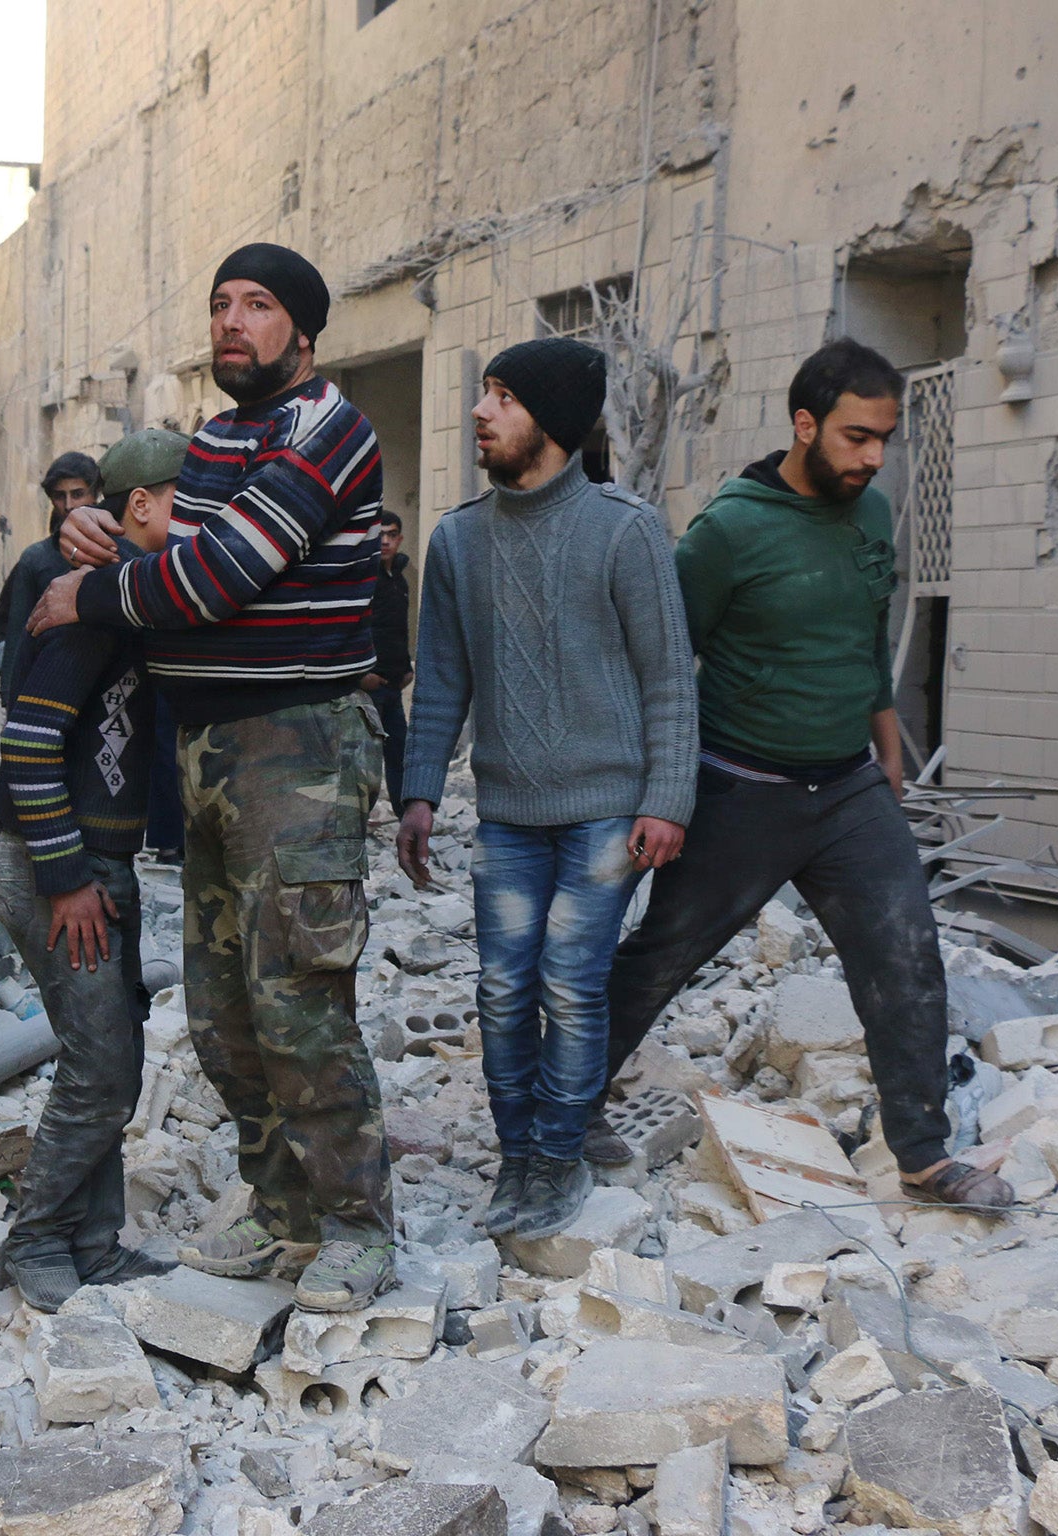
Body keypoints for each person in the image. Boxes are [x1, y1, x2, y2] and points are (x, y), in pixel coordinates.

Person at [33, 243, 393, 1312]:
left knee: (300, 1003)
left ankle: (357, 1227)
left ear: (305, 333)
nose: (232, 321)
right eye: (220, 303)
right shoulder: (217, 439)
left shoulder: (328, 432)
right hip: (207, 756)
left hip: (300, 753)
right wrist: (86, 531)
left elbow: (214, 575)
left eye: (259, 305)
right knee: (221, 1005)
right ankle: (280, 1209)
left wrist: (86, 594)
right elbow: (152, 547)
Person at [590, 338, 1014, 1211]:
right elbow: (665, 668)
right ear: (805, 423)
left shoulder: (871, 513)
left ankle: (926, 1160)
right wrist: (659, 792)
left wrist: (888, 753)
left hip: (848, 789)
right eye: (857, 437)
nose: (873, 456)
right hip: (740, 788)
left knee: (906, 956)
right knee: (661, 958)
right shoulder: (729, 530)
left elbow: (866, 637)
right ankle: (561, 1108)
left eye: (884, 439)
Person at [398, 339, 699, 1240]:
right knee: (499, 989)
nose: (481, 413)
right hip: (509, 816)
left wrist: (668, 799)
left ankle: (558, 1158)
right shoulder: (456, 539)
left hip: (609, 808)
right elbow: (442, 677)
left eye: (503, 397)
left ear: (554, 423)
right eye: (483, 393)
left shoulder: (626, 529)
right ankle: (518, 1158)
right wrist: (419, 792)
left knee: (570, 985)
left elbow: (669, 678)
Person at [0, 429, 191, 1310]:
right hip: (52, 868)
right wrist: (67, 876)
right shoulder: (91, 602)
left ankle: (96, 1242)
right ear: (139, 505)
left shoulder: (139, 597)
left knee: (113, 1053)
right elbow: (29, 742)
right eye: (189, 498)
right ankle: (35, 1240)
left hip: (99, 864)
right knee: (101, 1064)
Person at [0, 451, 102, 703]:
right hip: (47, 685)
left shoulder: (116, 553)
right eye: (60, 496)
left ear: (95, 495)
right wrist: (10, 698)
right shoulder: (36, 559)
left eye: (78, 493)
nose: (70, 505)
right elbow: (17, 632)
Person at [363, 510, 414, 816]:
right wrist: (360, 674)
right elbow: (353, 625)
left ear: (399, 539)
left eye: (391, 535)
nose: (385, 541)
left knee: (399, 755)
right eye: (379, 535)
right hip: (369, 685)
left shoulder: (400, 578)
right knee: (365, 761)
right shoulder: (364, 576)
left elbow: (397, 626)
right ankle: (356, 824)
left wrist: (406, 666)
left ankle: (404, 816)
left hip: (393, 684)